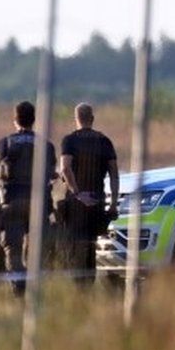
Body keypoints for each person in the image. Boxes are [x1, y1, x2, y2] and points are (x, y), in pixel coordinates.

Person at [0, 101, 56, 296]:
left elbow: (2, 165)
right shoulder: (46, 146)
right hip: (39, 204)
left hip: (12, 202)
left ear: (15, 120)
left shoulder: (5, 143)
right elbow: (51, 171)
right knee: (37, 248)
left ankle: (18, 288)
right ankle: (34, 287)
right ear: (34, 120)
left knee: (12, 250)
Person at [58, 103, 120, 284]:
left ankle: (77, 290)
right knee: (91, 249)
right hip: (96, 202)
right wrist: (113, 204)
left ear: (75, 119)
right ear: (92, 119)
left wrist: (77, 193)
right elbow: (114, 175)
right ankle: (88, 288)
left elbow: (66, 168)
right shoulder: (104, 141)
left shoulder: (69, 140)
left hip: (76, 204)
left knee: (74, 249)